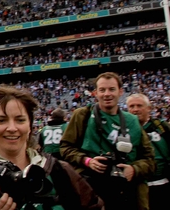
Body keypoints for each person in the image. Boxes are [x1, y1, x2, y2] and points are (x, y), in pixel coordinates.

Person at [0, 85, 103, 210]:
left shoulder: (59, 170)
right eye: (1, 120)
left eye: (20, 120)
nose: (12, 128)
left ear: (30, 126)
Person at [60, 72, 155, 210]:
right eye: (102, 90)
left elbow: (150, 160)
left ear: (120, 92)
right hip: (92, 188)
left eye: (112, 89)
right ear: (95, 93)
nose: (107, 94)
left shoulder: (132, 121)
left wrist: (134, 169)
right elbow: (65, 148)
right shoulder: (83, 115)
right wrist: (87, 161)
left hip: (127, 191)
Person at [126, 94, 170, 210]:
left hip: (165, 185)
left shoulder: (161, 127)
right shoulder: (123, 130)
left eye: (139, 106)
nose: (135, 109)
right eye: (131, 106)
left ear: (149, 108)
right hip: (136, 187)